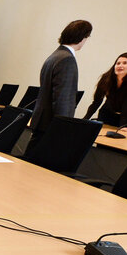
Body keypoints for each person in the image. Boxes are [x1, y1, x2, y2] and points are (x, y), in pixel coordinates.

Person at [27, 20, 92, 154]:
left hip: (43, 121)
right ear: (83, 38)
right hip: (52, 125)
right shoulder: (67, 59)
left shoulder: (54, 56)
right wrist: (63, 128)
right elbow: (62, 98)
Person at [83, 52, 127, 129]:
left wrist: (123, 126)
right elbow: (97, 102)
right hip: (109, 113)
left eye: (125, 63)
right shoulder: (106, 78)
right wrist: (84, 120)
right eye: (118, 63)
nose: (120, 66)